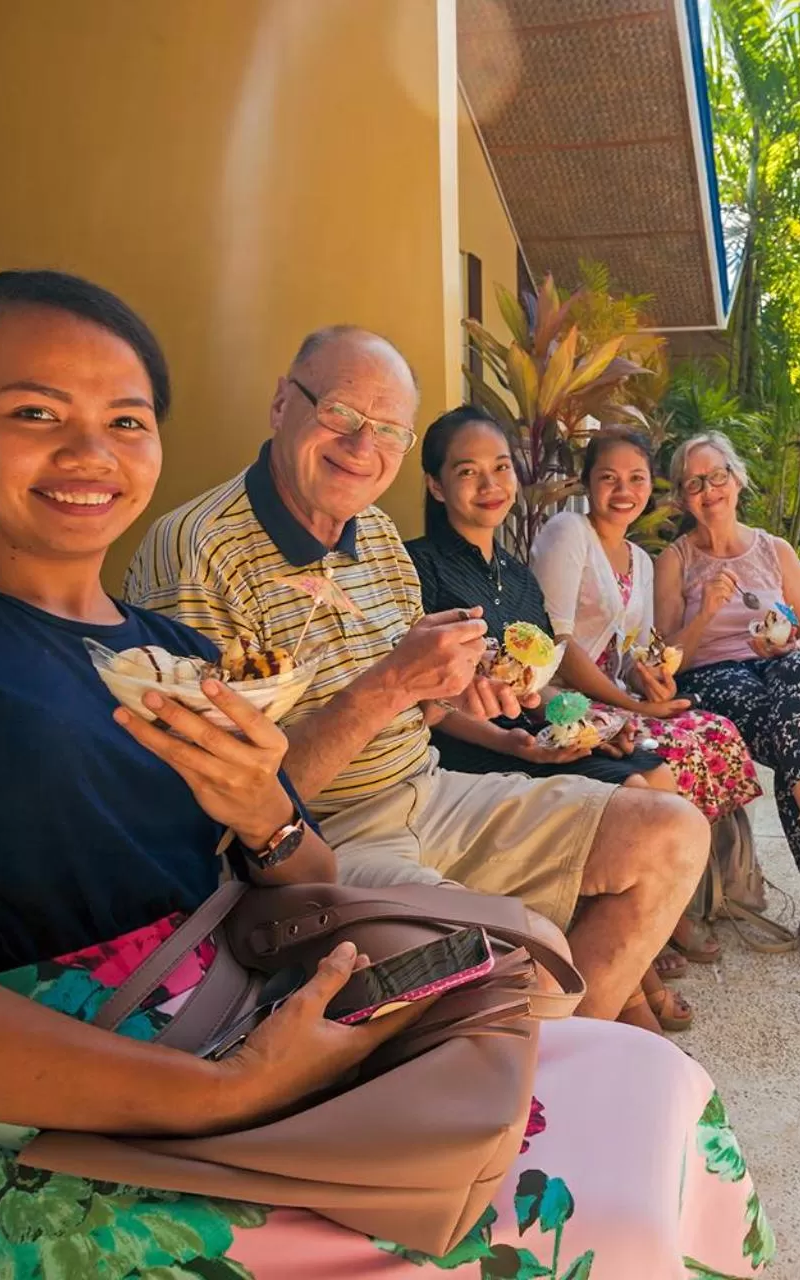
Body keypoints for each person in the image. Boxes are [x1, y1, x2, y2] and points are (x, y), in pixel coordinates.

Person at [0, 272, 770, 1277]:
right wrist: (216, 1091)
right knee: (589, 1213)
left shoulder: (171, 648)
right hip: (31, 1123)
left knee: (651, 1092)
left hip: (249, 1008)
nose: (89, 449)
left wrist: (264, 808)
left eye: (125, 420)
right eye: (35, 412)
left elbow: (291, 862)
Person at [124, 326, 707, 1033]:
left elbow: (420, 715)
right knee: (526, 968)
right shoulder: (198, 551)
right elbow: (222, 812)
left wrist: (465, 694)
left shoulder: (377, 541)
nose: (361, 446)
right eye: (340, 414)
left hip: (428, 793)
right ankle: (536, 1075)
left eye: (389, 432)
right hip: (318, 844)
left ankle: (539, 1076)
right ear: (283, 402)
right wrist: (394, 684)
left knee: (670, 831)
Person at [403, 406, 694, 1031]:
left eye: (501, 468)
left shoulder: (514, 575)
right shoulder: (418, 568)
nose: (491, 485)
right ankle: (633, 1000)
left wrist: (588, 727)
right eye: (468, 471)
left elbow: (535, 683)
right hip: (466, 749)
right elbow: (427, 706)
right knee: (636, 792)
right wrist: (524, 747)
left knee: (656, 776)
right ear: (435, 485)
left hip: (527, 737)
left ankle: (635, 967)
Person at [530, 428, 765, 971]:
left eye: (636, 478)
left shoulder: (640, 558)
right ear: (587, 483)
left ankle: (678, 892)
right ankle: (655, 912)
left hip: (616, 699)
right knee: (670, 751)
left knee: (713, 731)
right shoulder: (570, 532)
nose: (623, 490)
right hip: (565, 703)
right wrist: (636, 707)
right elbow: (558, 645)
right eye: (608, 477)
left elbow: (637, 652)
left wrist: (654, 680)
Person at [654, 431, 800, 976]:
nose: (709, 490)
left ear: (738, 479)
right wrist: (707, 611)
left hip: (777, 669)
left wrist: (787, 646)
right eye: (694, 482)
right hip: (712, 678)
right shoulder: (675, 561)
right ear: (682, 497)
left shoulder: (776, 551)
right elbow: (667, 661)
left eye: (717, 476)